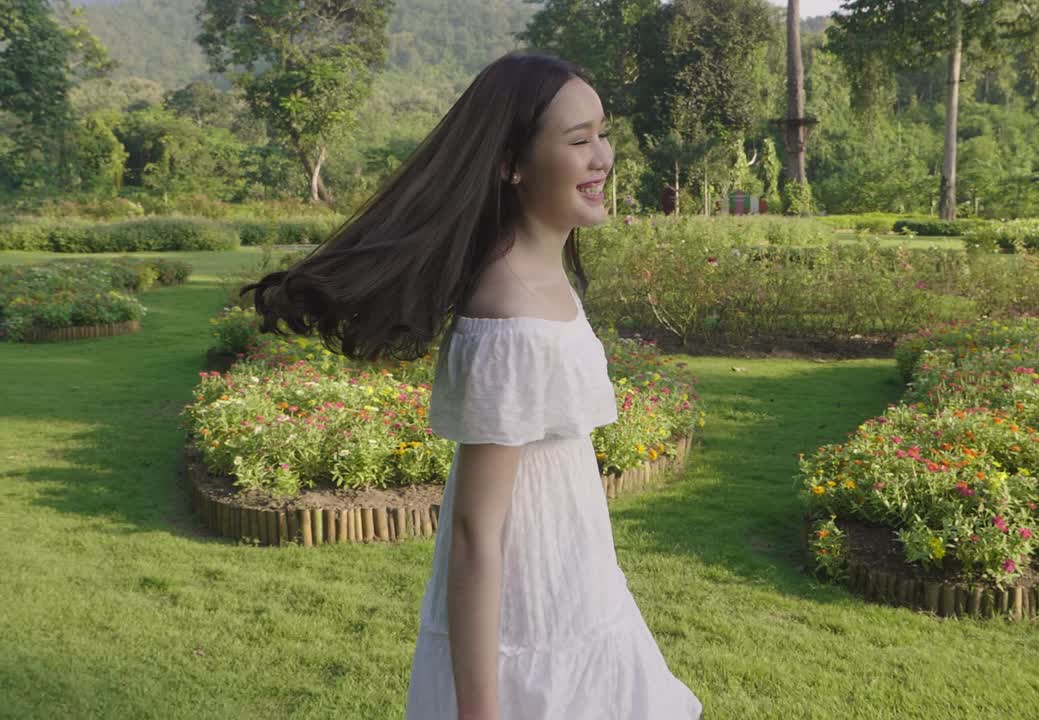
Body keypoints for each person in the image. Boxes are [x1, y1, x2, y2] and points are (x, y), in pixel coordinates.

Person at [241, 52, 703, 720]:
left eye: (603, 132)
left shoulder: (549, 282)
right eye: (577, 141)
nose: (602, 156)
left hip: (578, 595)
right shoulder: (510, 317)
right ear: (511, 164)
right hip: (526, 631)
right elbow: (474, 533)